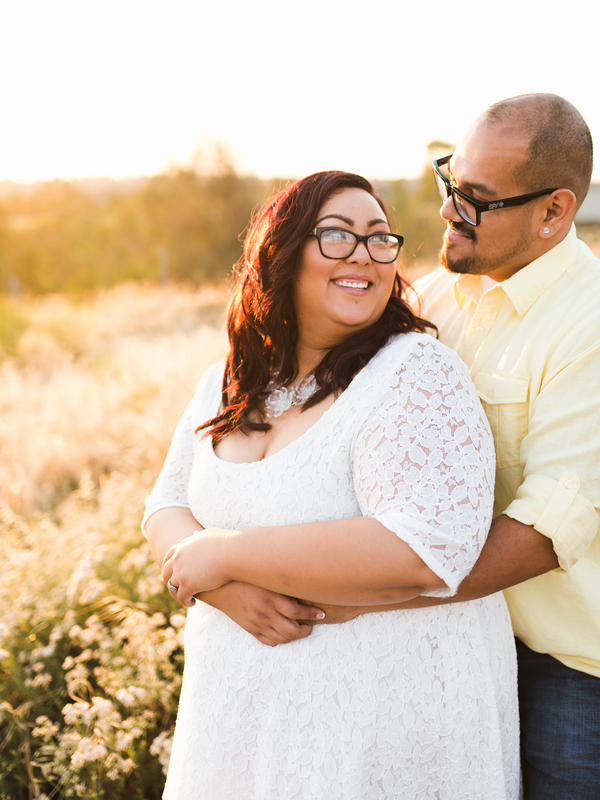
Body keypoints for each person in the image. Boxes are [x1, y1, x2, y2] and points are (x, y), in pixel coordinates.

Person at [144, 171, 520, 799]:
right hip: (237, 716)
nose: (364, 256)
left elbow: (423, 548)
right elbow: (167, 504)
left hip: (375, 726)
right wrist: (222, 591)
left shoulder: (414, 372)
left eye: (380, 239)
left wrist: (227, 553)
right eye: (338, 236)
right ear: (281, 253)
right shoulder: (229, 378)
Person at [402, 93, 600, 800]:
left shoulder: (590, 325)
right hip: (451, 643)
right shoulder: (431, 301)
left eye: (477, 200)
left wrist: (362, 595)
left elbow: (546, 531)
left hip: (570, 674)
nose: (449, 211)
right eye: (449, 181)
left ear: (553, 211)